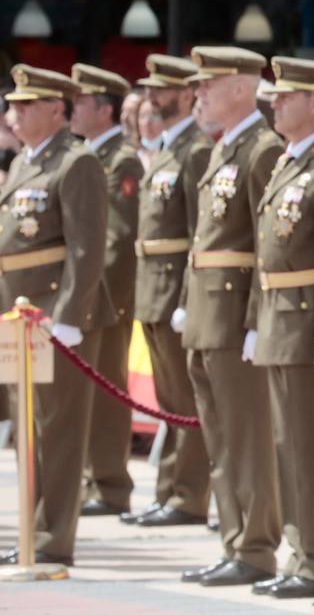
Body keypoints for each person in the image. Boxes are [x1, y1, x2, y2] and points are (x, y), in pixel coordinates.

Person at [179, 46, 284, 588]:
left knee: (247, 439)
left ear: (242, 88)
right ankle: (235, 541)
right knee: (221, 441)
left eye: (209, 84)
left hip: (233, 312)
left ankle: (258, 545)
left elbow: (270, 246)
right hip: (206, 312)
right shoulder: (223, 148)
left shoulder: (262, 149)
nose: (198, 92)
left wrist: (255, 320)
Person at [251, 57, 314, 600]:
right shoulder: (290, 162)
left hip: (310, 319)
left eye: (286, 96)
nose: (274, 105)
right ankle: (299, 552)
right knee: (288, 446)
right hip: (277, 319)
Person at [0, 66, 111, 567]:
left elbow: (87, 250)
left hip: (52, 315)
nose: (13, 114)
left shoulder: (76, 162)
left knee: (58, 430)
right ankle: (30, 529)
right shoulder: (26, 162)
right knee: (28, 430)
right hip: (18, 316)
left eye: (25, 106)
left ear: (55, 109)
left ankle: (52, 538)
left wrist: (70, 315)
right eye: (13, 106)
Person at [125, 55, 212, 528]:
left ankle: (188, 495)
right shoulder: (165, 149)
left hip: (176, 285)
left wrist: (186, 299)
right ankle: (168, 491)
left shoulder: (196, 151)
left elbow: (201, 232)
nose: (154, 99)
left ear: (187, 94)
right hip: (153, 286)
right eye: (152, 91)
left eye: (164, 90)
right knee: (168, 401)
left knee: (185, 401)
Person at [68, 64, 143, 521]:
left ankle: (110, 481)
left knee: (108, 390)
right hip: (86, 294)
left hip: (108, 297)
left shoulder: (122, 160)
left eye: (80, 103)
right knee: (83, 392)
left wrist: (98, 297)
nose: (71, 110)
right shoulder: (85, 155)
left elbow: (117, 237)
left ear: (105, 109)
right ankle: (91, 477)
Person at [136, 95, 165, 169]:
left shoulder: (169, 147)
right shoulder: (132, 150)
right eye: (142, 116)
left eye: (155, 115)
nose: (147, 122)